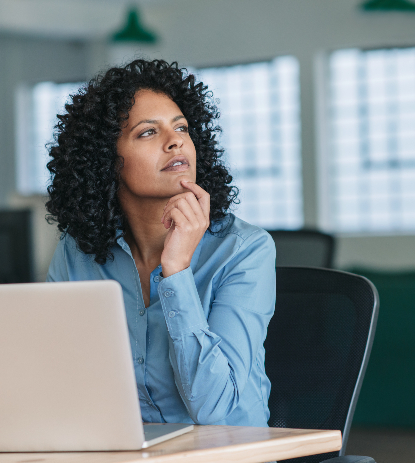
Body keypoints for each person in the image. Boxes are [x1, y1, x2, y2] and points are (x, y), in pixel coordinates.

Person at [45, 59, 276, 428]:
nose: (176, 141)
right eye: (147, 133)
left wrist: (177, 270)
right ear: (107, 162)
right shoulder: (77, 254)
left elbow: (214, 408)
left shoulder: (244, 249)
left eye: (181, 127)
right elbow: (55, 380)